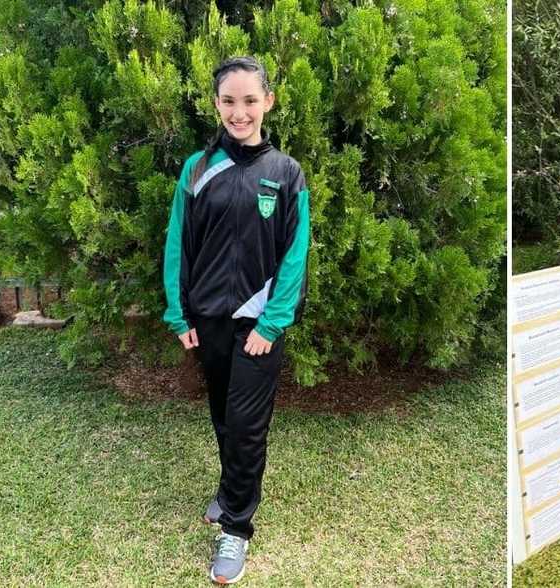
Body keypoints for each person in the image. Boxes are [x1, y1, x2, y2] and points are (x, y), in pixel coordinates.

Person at [162, 56, 310, 584]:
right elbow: (178, 242)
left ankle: (237, 527)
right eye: (229, 100)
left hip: (258, 327)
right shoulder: (197, 169)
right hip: (207, 321)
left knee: (247, 428)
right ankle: (230, 490)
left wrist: (271, 324)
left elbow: (296, 253)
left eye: (250, 100)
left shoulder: (287, 174)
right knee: (224, 417)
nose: (239, 111)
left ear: (268, 101)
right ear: (217, 103)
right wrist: (178, 312)